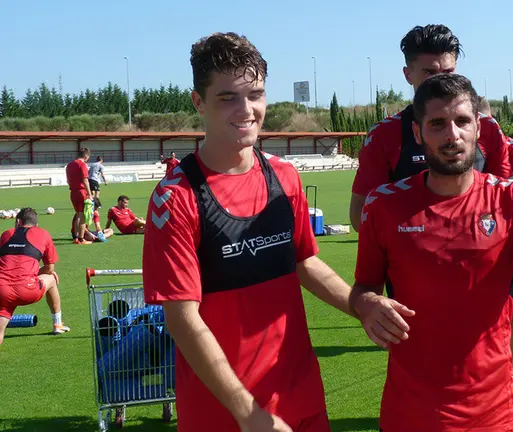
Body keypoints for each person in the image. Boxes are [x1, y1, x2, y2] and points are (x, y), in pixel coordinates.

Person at [141, 32, 387, 432]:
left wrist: (360, 304)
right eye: (228, 98)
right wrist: (248, 413)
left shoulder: (284, 177)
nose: (247, 109)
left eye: (255, 94)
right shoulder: (176, 197)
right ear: (198, 102)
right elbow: (182, 320)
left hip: (301, 398)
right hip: (224, 414)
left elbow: (305, 263)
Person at [351, 74, 513, 432]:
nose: (452, 135)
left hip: (492, 415)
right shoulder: (383, 207)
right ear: (418, 133)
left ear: (477, 129)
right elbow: (363, 287)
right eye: (437, 124)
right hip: (408, 414)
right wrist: (365, 305)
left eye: (462, 122)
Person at [348, 23, 513, 386]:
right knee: (421, 339)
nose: (439, 80)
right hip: (416, 265)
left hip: (486, 258)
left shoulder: (481, 127)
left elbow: (506, 195)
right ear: (408, 75)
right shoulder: (387, 136)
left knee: (505, 325)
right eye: (429, 73)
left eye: (448, 72)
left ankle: (504, 396)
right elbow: (360, 215)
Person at [0, 208, 70, 345]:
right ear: (36, 224)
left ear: (18, 222)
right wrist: (36, 272)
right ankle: (57, 324)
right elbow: (50, 269)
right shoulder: (43, 234)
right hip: (28, 290)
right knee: (52, 278)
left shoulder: (6, 234)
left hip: (2, 290)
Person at [66, 147, 93, 244]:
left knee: (78, 215)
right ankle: (81, 239)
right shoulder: (82, 165)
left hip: (72, 192)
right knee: (83, 216)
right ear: (86, 156)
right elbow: (85, 180)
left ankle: (76, 237)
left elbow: (68, 180)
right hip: (81, 192)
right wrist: (89, 194)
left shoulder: (69, 165)